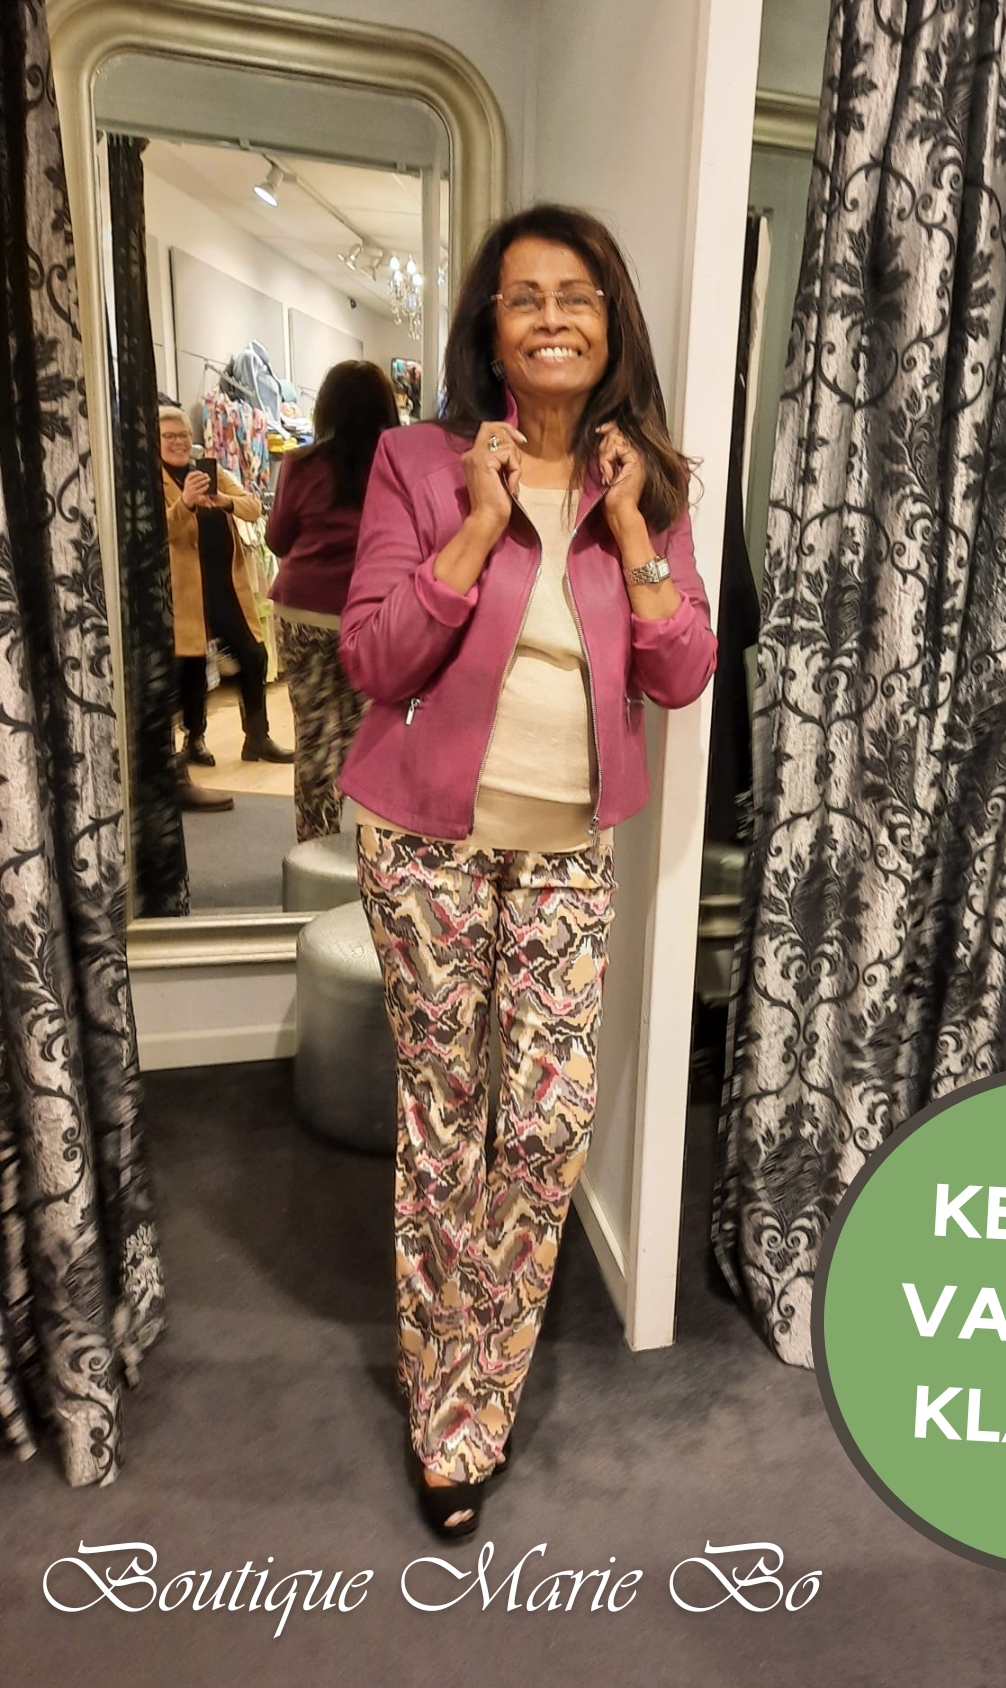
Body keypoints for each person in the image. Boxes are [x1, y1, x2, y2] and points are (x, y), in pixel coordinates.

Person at [339, 205, 717, 1538]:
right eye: (524, 297)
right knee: (447, 1125)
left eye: (577, 295)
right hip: (425, 845)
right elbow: (374, 656)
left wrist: (629, 528)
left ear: (611, 324)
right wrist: (479, 524)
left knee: (545, 1126)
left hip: (566, 853)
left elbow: (681, 670)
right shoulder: (417, 462)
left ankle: (481, 1378)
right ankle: (447, 1413)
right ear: (490, 330)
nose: (552, 315)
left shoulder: (647, 482)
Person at [266, 361, 400, 840]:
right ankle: (374, 847)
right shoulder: (398, 465)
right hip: (373, 616)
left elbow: (277, 539)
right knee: (371, 734)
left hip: (302, 612)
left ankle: (315, 849)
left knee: (315, 736)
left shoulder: (301, 464)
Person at [158, 406, 293, 766]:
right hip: (186, 591)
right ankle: (194, 740)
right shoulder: (153, 480)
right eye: (169, 436)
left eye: (183, 435)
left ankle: (257, 738)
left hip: (226, 585)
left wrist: (225, 501)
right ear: (155, 442)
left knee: (254, 654)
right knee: (192, 666)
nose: (178, 442)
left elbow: (253, 507)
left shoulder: (211, 471)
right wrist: (186, 502)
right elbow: (159, 530)